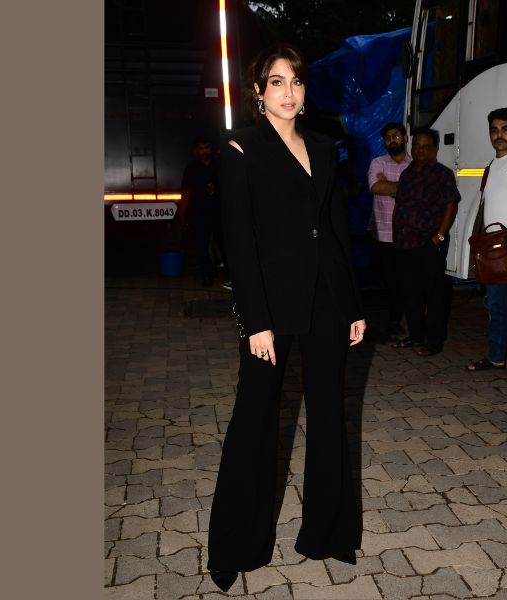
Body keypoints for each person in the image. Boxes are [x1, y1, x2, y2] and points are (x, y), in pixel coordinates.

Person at [206, 44, 367, 592]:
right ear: (258, 91)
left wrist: (352, 305)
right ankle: (235, 546)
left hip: (326, 299)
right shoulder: (241, 148)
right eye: (277, 82)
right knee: (254, 418)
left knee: (329, 414)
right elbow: (239, 242)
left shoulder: (323, 147)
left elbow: (335, 228)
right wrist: (255, 321)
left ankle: (328, 533)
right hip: (270, 306)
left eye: (296, 81)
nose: (289, 92)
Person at [466, 107, 507, 382]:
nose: (499, 135)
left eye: (505, 129)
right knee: (496, 306)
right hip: (494, 251)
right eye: (494, 130)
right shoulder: (491, 167)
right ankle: (496, 357)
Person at [390, 128, 460, 356]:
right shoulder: (406, 174)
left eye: (426, 146)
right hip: (404, 244)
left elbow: (451, 205)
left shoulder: (442, 174)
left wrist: (439, 236)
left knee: (434, 295)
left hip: (429, 243)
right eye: (417, 146)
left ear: (434, 149)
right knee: (411, 293)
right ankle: (416, 336)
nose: (420, 150)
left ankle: (434, 343)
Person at [367, 122, 411, 336]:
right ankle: (392, 318)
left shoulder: (415, 164)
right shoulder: (378, 162)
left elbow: (420, 191)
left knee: (406, 278)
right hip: (383, 233)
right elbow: (376, 187)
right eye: (388, 138)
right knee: (390, 280)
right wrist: (405, 187)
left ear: (405, 138)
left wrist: (391, 186)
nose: (392, 140)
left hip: (408, 234)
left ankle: (396, 320)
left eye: (396, 136)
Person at [180, 138, 229, 288]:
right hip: (200, 213)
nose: (204, 151)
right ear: (195, 151)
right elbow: (187, 191)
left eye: (206, 147)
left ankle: (231, 276)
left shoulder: (220, 165)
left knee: (225, 245)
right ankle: (207, 276)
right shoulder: (191, 168)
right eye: (201, 148)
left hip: (220, 212)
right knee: (201, 246)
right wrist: (182, 212)